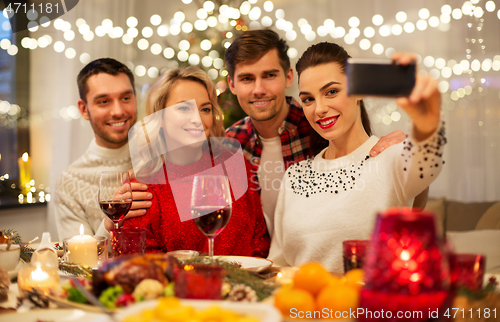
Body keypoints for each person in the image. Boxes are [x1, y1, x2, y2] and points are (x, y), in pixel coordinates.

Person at [224, 29, 427, 236]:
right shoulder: (228, 144)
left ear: (288, 77)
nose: (259, 89)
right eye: (247, 78)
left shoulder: (318, 123)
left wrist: (413, 152)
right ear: (232, 84)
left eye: (269, 75)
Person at [268, 42, 445, 271]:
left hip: (368, 305)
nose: (319, 108)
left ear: (358, 91)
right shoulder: (294, 175)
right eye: (308, 99)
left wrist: (426, 126)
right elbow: (278, 264)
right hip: (301, 304)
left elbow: (428, 163)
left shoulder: (391, 157)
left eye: (331, 92)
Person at [122, 66, 270, 257]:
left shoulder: (236, 165)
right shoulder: (143, 185)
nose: (197, 119)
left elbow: (260, 245)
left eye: (205, 109)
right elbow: (137, 261)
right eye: (184, 108)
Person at [54, 58, 152, 240]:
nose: (118, 111)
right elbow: (77, 265)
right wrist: (110, 222)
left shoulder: (159, 157)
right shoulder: (69, 183)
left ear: (135, 99)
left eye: (125, 98)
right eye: (104, 101)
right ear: (84, 109)